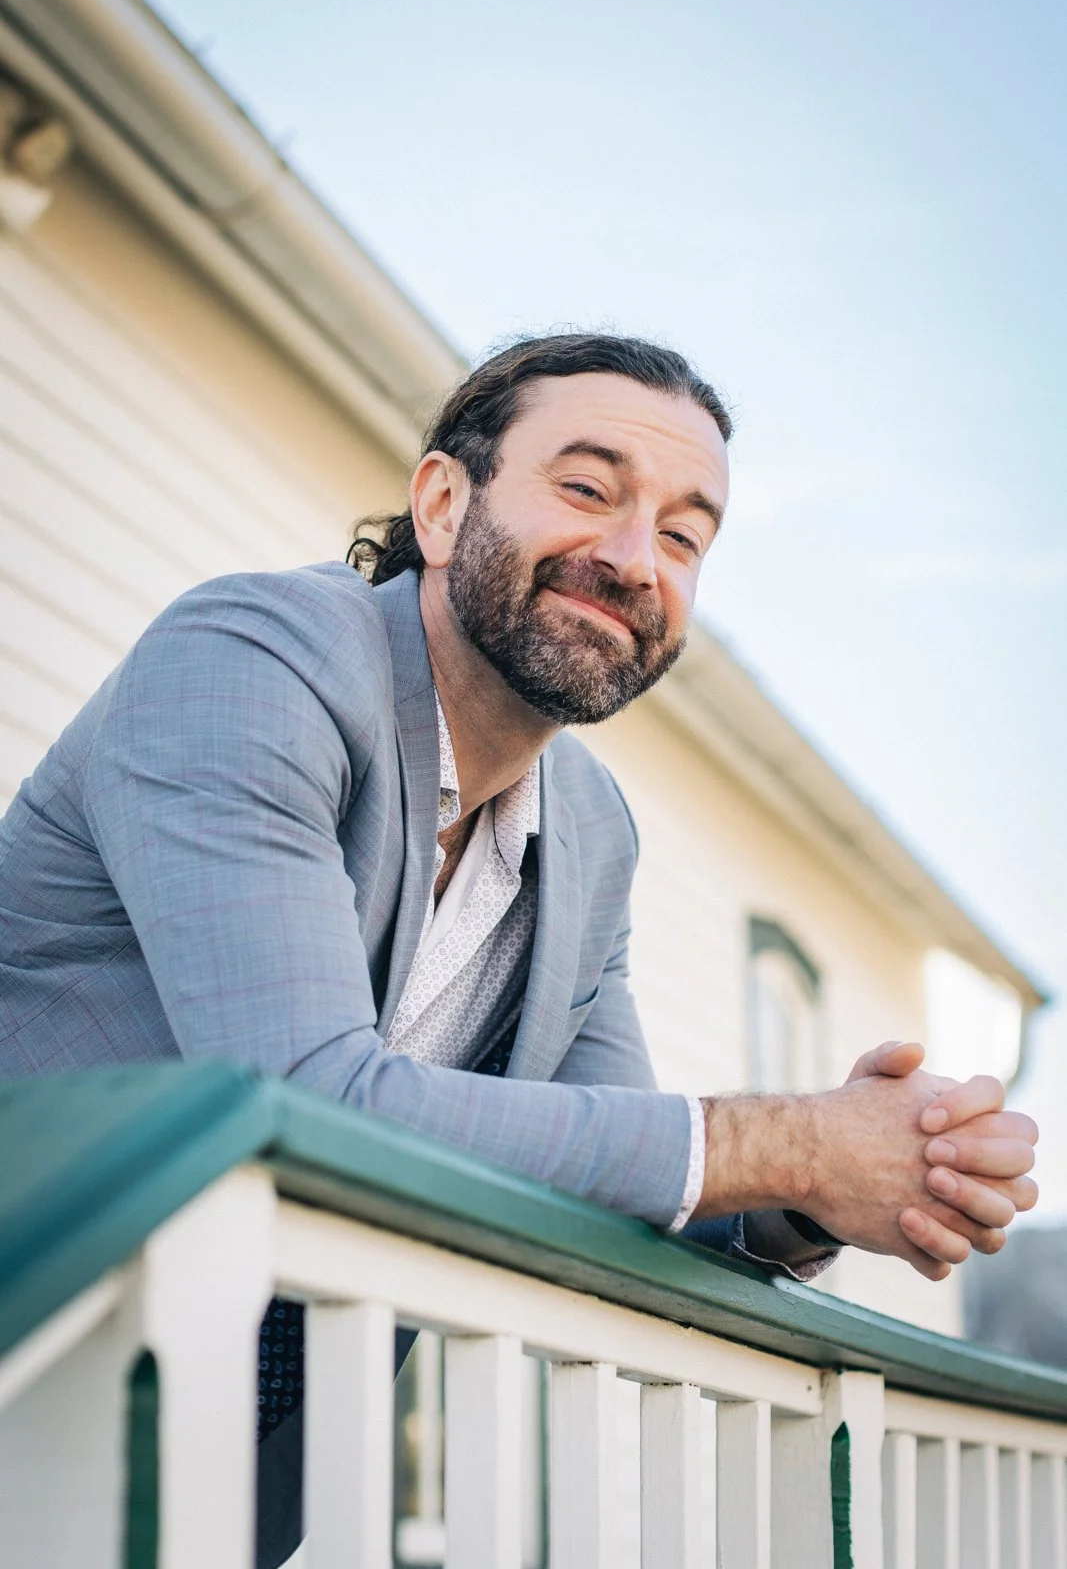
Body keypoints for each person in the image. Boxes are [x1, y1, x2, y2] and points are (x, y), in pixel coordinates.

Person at [0, 334, 1038, 1564]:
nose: (629, 557)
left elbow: (625, 1169)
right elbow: (304, 1096)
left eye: (682, 535)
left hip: (212, 1487)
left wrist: (806, 1197)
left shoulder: (588, 837)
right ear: (442, 504)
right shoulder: (254, 658)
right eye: (588, 489)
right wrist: (789, 1142)